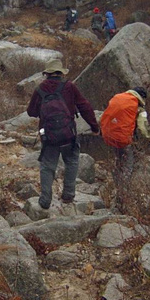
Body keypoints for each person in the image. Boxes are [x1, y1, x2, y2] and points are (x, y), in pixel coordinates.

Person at [26, 59, 99, 209]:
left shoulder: (40, 88)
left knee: (47, 166)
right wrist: (94, 127)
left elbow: (31, 112)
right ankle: (68, 196)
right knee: (71, 162)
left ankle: (45, 201)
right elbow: (85, 106)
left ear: (47, 74)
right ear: (61, 73)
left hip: (49, 136)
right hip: (68, 134)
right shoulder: (69, 86)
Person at [100, 87, 150, 181]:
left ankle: (116, 179)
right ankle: (125, 183)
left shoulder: (117, 97)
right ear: (142, 97)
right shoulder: (138, 107)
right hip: (123, 138)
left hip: (108, 134)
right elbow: (143, 126)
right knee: (128, 160)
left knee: (118, 157)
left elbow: (105, 114)